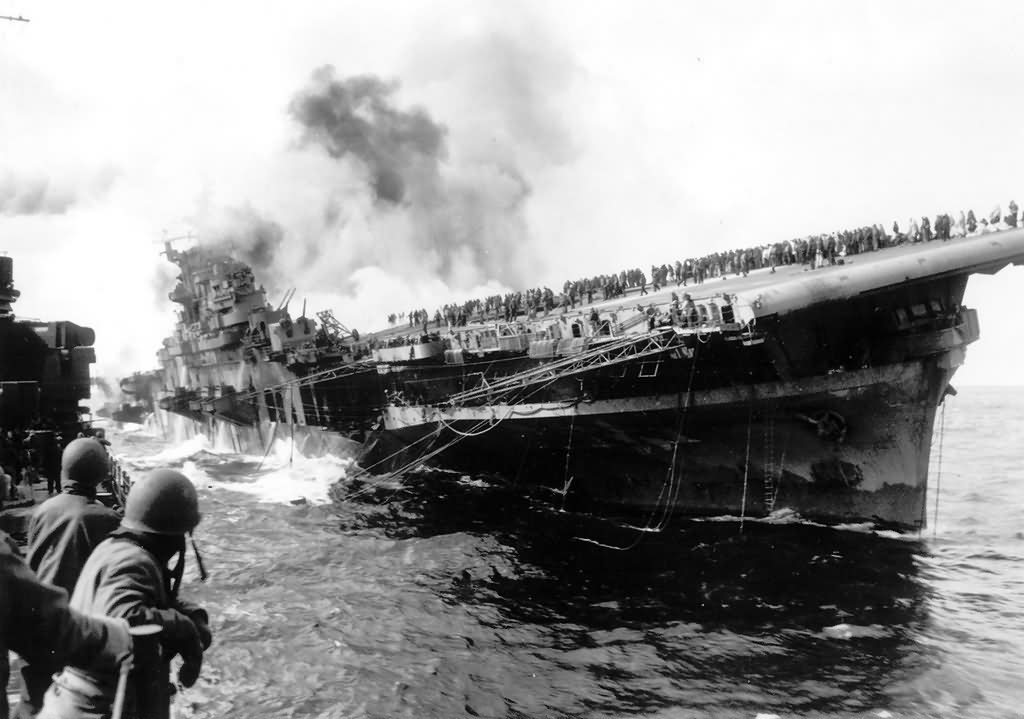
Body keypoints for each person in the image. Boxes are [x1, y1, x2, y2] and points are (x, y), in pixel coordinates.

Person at [41, 469, 212, 719]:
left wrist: (191, 613)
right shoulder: (134, 561)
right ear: (174, 535)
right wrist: (183, 627)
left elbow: (148, 601)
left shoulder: (116, 549)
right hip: (101, 707)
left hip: (89, 700)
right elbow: (123, 618)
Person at [15, 438, 122, 717]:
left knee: (32, 702)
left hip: (36, 625)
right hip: (73, 633)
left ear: (64, 472)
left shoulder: (42, 511)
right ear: (101, 475)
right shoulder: (105, 518)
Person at [1, 529, 133, 719]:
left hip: (49, 592)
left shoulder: (47, 508)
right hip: (64, 604)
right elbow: (51, 628)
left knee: (31, 690)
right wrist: (119, 635)